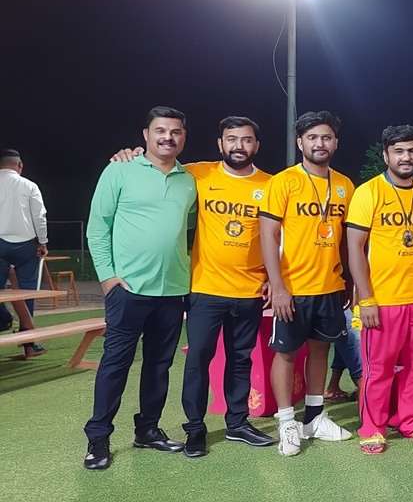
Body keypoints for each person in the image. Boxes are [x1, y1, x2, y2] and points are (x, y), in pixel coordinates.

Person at [107, 116, 280, 457]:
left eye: (246, 140)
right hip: (204, 288)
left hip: (250, 290)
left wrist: (275, 280)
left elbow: (280, 236)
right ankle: (195, 429)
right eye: (231, 139)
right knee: (199, 359)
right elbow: (159, 164)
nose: (238, 146)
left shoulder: (271, 184)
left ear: (257, 146)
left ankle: (238, 423)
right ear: (220, 144)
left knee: (240, 360)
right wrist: (127, 155)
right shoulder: (198, 174)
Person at [83, 106, 197, 470]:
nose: (168, 137)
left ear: (183, 137)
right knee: (115, 365)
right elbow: (97, 227)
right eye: (160, 130)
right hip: (127, 290)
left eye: (176, 131)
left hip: (173, 290)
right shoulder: (119, 169)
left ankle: (147, 430)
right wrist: (108, 279)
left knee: (159, 366)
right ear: (145, 135)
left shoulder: (190, 180)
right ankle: (98, 439)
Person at [258, 110, 354, 456]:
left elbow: (346, 239)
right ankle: (287, 422)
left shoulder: (344, 185)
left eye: (326, 137)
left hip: (329, 286)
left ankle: (314, 417)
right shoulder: (283, 181)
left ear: (335, 143)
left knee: (320, 350)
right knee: (285, 353)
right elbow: (267, 234)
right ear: (300, 142)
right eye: (312, 137)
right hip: (293, 288)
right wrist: (278, 285)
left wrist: (348, 280)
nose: (320, 143)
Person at [345, 125, 413, 454]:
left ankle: (411, 421)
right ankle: (372, 426)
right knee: (379, 367)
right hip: (382, 299)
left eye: (412, 151)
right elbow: (355, 249)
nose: (406, 157)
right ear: (386, 154)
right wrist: (366, 297)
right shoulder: (368, 192)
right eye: (399, 151)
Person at [0, 148, 48, 358]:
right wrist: (43, 241)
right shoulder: (29, 185)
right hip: (25, 245)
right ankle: (29, 343)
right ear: (19, 165)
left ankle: (4, 319)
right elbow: (39, 216)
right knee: (27, 292)